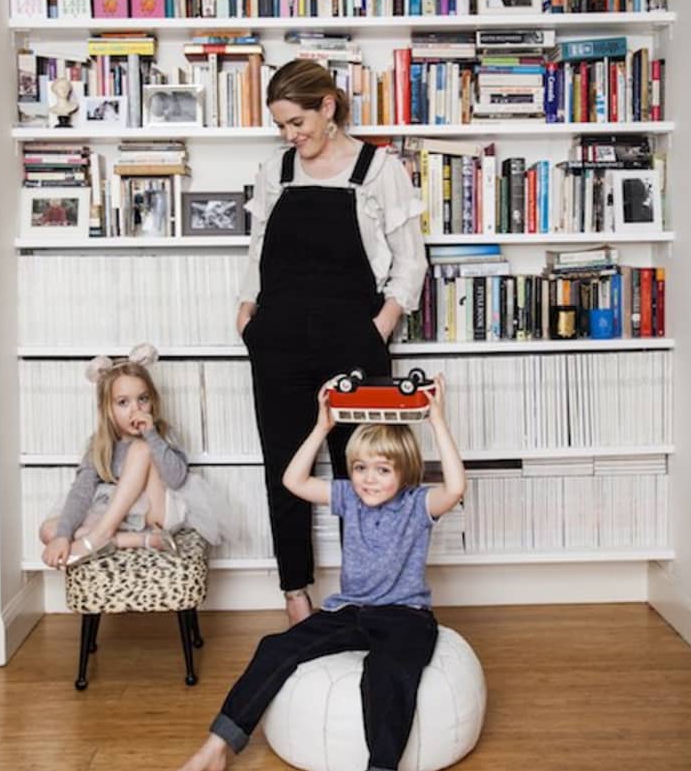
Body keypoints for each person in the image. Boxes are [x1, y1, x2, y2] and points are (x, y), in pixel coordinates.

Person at [175, 373, 465, 771]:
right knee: (276, 647)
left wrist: (437, 421)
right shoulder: (349, 496)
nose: (368, 478)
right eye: (361, 467)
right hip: (351, 611)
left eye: (382, 470)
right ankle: (216, 747)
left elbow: (455, 488)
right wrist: (321, 425)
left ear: (404, 470)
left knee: (386, 674)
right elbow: (292, 480)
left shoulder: (417, 504)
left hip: (405, 616)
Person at [237, 58, 427, 624]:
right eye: (281, 127)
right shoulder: (278, 171)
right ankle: (296, 594)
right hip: (278, 341)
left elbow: (410, 260)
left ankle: (367, 592)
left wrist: (381, 324)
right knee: (285, 467)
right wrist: (247, 315)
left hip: (352, 340)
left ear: (328, 107)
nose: (291, 136)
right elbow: (258, 251)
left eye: (298, 122)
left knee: (365, 471)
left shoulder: (378, 169)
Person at [39, 344, 222, 568]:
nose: (136, 408)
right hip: (120, 518)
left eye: (142, 399)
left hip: (156, 515)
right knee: (49, 531)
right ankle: (138, 540)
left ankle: (102, 536)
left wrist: (151, 436)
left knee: (140, 449)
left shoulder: (161, 433)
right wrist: (61, 536)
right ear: (107, 408)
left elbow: (177, 478)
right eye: (123, 402)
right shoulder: (100, 445)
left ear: (152, 400)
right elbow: (81, 492)